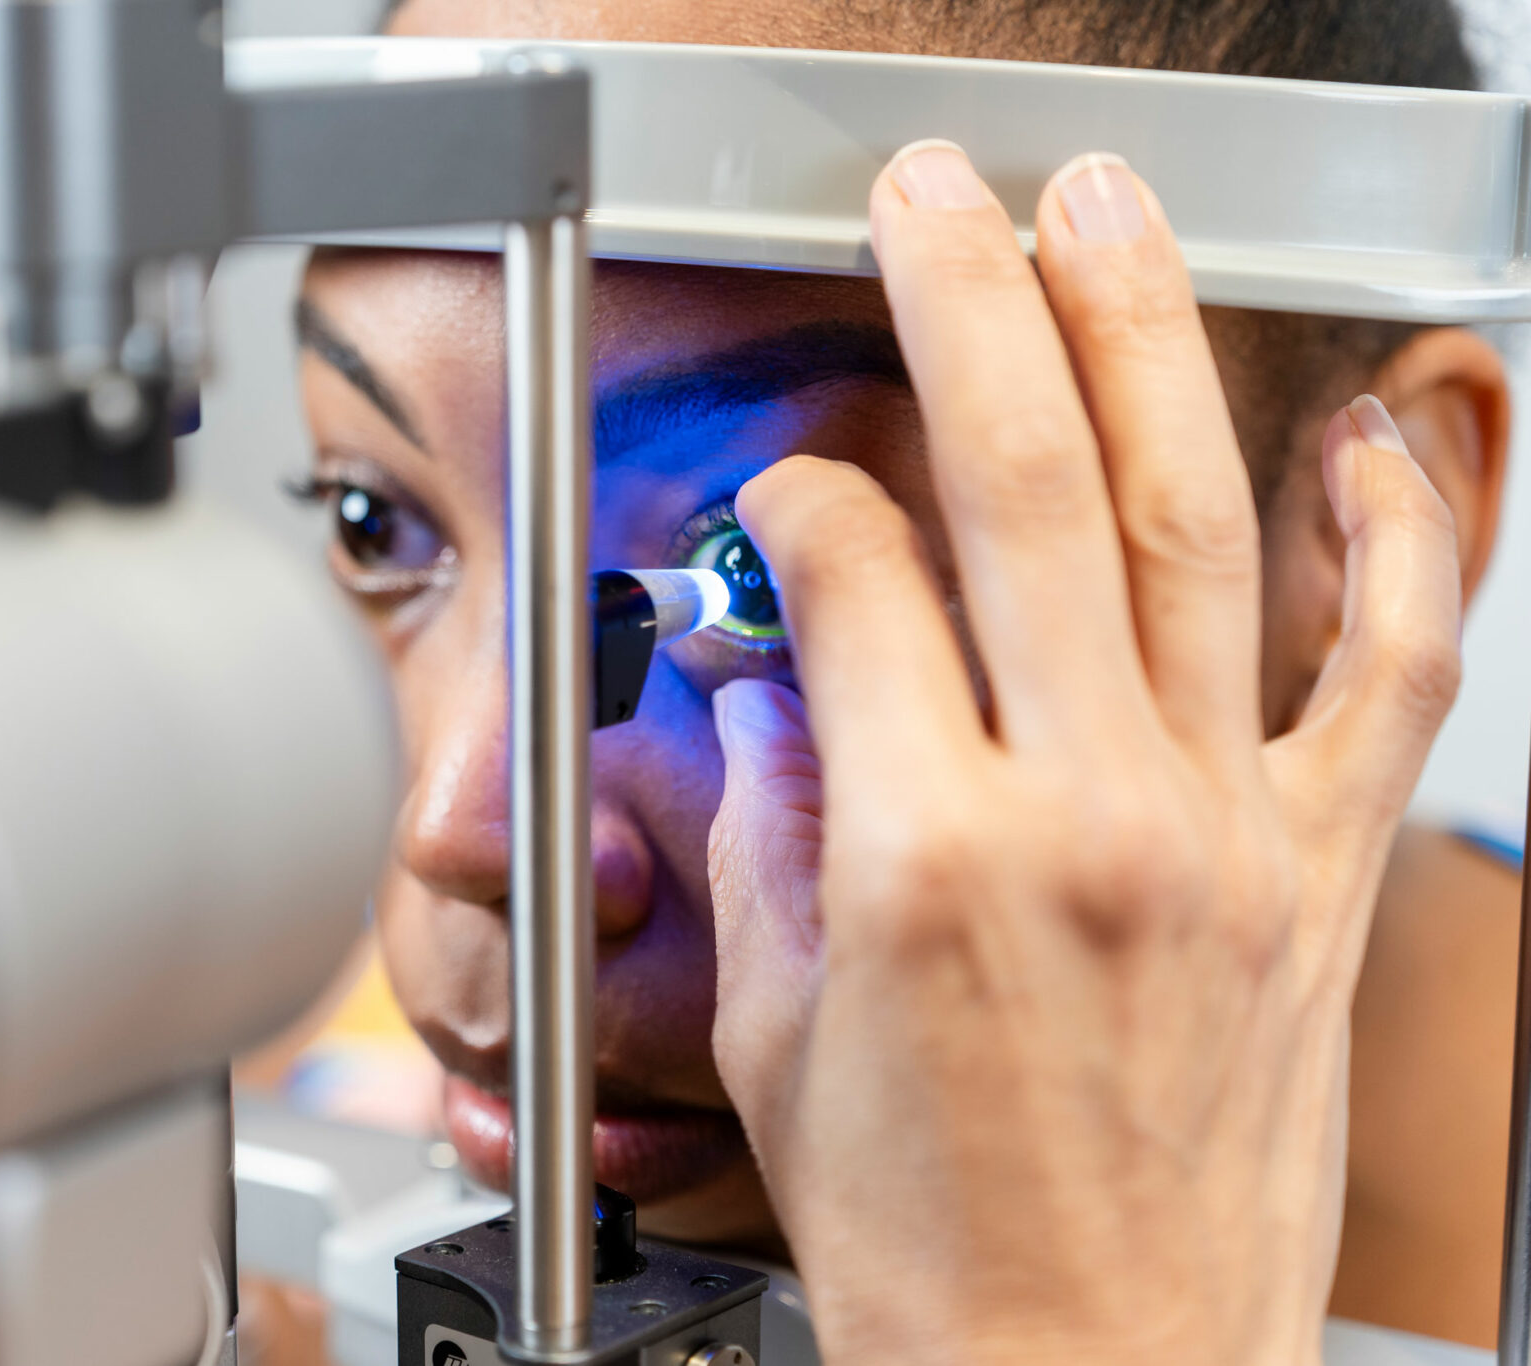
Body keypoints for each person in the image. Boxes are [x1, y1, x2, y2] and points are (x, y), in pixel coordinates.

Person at [287, 0, 1518, 1354]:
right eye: (375, 519)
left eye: (748, 564)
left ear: (1375, 531)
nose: (456, 831)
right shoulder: (329, 1097)